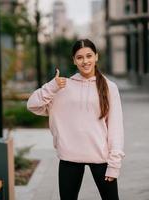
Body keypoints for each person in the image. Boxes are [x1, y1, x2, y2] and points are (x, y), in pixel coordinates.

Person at [27, 39, 125, 200]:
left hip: (101, 157)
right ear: (74, 60)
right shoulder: (63, 86)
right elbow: (33, 105)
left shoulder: (109, 87)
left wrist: (114, 164)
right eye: (80, 57)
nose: (85, 61)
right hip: (69, 157)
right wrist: (52, 86)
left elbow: (116, 128)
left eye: (89, 56)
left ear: (96, 57)